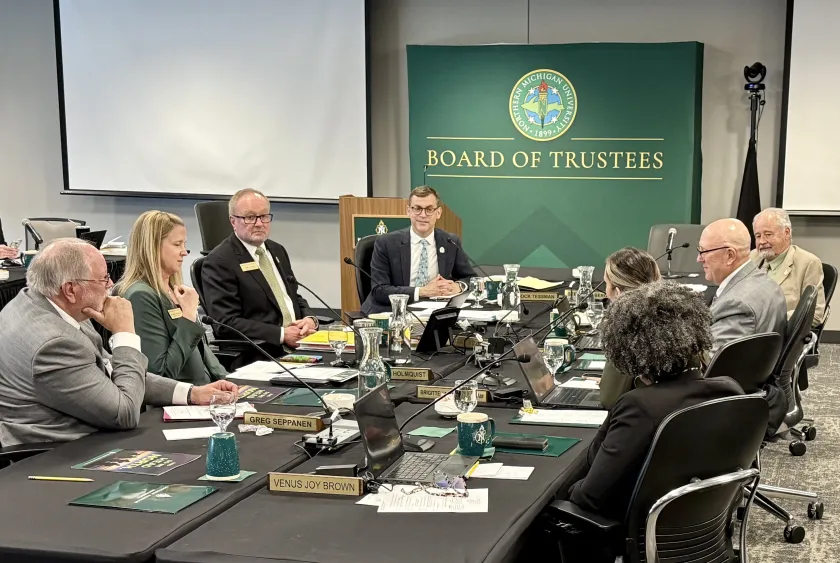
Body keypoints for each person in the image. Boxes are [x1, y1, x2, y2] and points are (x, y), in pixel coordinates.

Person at [564, 282, 743, 562]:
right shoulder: (730, 391)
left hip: (644, 540)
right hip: (705, 540)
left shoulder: (639, 407)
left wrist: (565, 492)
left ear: (627, 350)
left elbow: (588, 498)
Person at [0, 238, 237, 446]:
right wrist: (125, 334)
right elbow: (124, 413)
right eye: (103, 279)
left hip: (88, 429)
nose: (110, 286)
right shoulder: (53, 343)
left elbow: (111, 370)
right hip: (62, 451)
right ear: (70, 289)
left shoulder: (44, 303)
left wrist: (191, 393)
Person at [115, 211, 227, 386]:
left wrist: (229, 381)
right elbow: (161, 373)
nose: (184, 252)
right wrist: (189, 317)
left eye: (185, 244)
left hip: (207, 390)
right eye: (177, 244)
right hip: (181, 401)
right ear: (152, 247)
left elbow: (202, 353)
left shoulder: (175, 291)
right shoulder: (140, 296)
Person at [202, 189, 318, 352]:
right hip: (262, 351)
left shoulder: (277, 250)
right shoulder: (220, 261)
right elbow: (226, 322)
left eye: (264, 216)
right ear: (233, 221)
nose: (259, 223)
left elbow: (291, 296)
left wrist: (309, 319)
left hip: (301, 343)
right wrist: (281, 334)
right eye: (250, 217)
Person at [361, 185, 476, 315]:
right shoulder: (386, 243)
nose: (423, 215)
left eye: (429, 209)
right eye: (417, 209)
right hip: (392, 312)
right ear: (408, 211)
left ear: (438, 213)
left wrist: (457, 286)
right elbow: (379, 291)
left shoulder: (450, 241)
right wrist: (423, 291)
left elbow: (470, 278)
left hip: (434, 312)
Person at [697, 218, 786, 353]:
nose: (699, 258)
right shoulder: (768, 283)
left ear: (730, 255)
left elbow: (708, 361)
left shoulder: (736, 305)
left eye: (703, 252)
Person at [598, 247, 661, 409]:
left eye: (606, 284)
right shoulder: (685, 318)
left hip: (643, 421)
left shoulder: (626, 329)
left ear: (618, 293)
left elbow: (610, 399)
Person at [751, 208, 826, 327]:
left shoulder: (808, 263)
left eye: (768, 234)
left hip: (778, 335)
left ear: (786, 233)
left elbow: (815, 315)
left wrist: (767, 321)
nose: (762, 241)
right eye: (758, 236)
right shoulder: (752, 257)